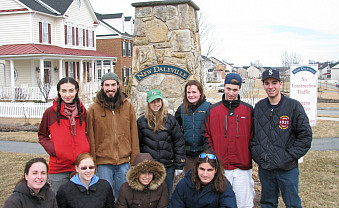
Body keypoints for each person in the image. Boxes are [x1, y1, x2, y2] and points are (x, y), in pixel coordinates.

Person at [250, 69, 312, 208]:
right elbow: (253, 134)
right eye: (267, 83)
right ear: (263, 85)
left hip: (287, 168)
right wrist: (257, 153)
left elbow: (305, 136)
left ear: (280, 84)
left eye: (274, 83)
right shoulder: (259, 107)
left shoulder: (293, 106)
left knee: (292, 204)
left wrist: (289, 156)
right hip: (266, 168)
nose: (270, 86)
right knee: (267, 203)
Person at [202, 73, 254, 208]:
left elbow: (254, 137)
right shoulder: (213, 110)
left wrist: (249, 154)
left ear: (239, 89)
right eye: (228, 89)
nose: (231, 93)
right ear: (224, 87)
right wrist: (213, 156)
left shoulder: (248, 110)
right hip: (221, 167)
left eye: (235, 90)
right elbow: (206, 135)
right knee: (220, 202)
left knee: (243, 203)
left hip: (242, 167)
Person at [87, 72, 139, 200]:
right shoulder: (93, 109)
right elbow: (91, 138)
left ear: (118, 86)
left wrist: (134, 160)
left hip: (123, 163)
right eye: (107, 85)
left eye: (113, 85)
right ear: (102, 86)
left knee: (123, 197)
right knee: (105, 197)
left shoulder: (127, 106)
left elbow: (134, 134)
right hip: (103, 163)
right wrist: (92, 161)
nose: (110, 88)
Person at [38, 77, 90, 193]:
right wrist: (54, 150)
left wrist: (86, 147)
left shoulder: (82, 111)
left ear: (76, 91)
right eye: (64, 91)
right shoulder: (50, 113)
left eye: (71, 91)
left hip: (80, 166)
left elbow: (87, 133)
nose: (67, 95)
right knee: (60, 201)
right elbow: (42, 135)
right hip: (59, 168)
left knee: (79, 201)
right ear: (59, 92)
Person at [137, 89, 185, 199]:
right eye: (153, 101)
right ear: (148, 103)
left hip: (167, 165)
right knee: (149, 196)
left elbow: (179, 142)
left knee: (166, 195)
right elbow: (138, 145)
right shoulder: (141, 122)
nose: (156, 104)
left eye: (158, 101)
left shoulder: (170, 120)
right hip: (149, 167)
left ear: (162, 102)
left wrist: (179, 164)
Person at [170, 150, 237, 208]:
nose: (205, 174)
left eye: (209, 170)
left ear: (216, 170)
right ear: (196, 168)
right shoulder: (184, 184)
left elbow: (229, 205)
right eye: (202, 169)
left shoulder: (223, 185)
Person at [175, 80, 210, 172]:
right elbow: (176, 131)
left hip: (204, 153)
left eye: (194, 92)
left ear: (200, 93)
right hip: (188, 155)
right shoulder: (182, 109)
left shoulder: (209, 107)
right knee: (190, 181)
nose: (191, 95)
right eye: (188, 92)